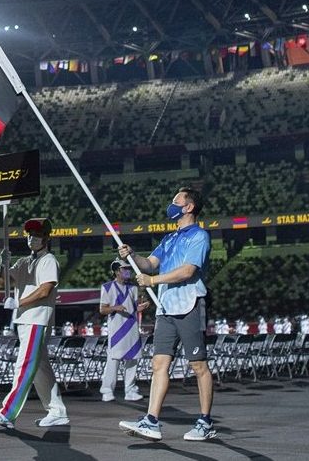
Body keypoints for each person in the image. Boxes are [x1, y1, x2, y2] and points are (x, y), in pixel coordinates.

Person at [118, 187, 216, 442]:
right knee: (159, 364)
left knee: (198, 365)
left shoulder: (200, 237)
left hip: (190, 304)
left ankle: (205, 422)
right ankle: (151, 421)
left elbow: (187, 272)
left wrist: (152, 281)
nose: (171, 204)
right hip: (166, 308)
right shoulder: (169, 239)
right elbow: (149, 263)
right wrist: (132, 255)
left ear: (189, 207)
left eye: (176, 200)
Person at [0, 218, 69, 429]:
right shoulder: (23, 261)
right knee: (40, 368)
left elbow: (45, 290)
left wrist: (18, 302)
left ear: (47, 238)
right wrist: (2, 264)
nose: (32, 238)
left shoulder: (49, 260)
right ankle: (57, 412)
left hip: (37, 319)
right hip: (25, 320)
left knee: (24, 365)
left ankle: (8, 413)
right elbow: (3, 281)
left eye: (37, 235)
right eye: (29, 234)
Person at [99, 258, 149, 403]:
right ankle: (107, 390)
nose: (128, 271)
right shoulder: (107, 287)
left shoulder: (133, 288)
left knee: (133, 359)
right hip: (116, 328)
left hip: (132, 326)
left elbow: (133, 308)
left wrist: (141, 307)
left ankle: (130, 390)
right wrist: (115, 308)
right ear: (116, 271)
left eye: (129, 269)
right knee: (113, 360)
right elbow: (103, 309)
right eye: (124, 269)